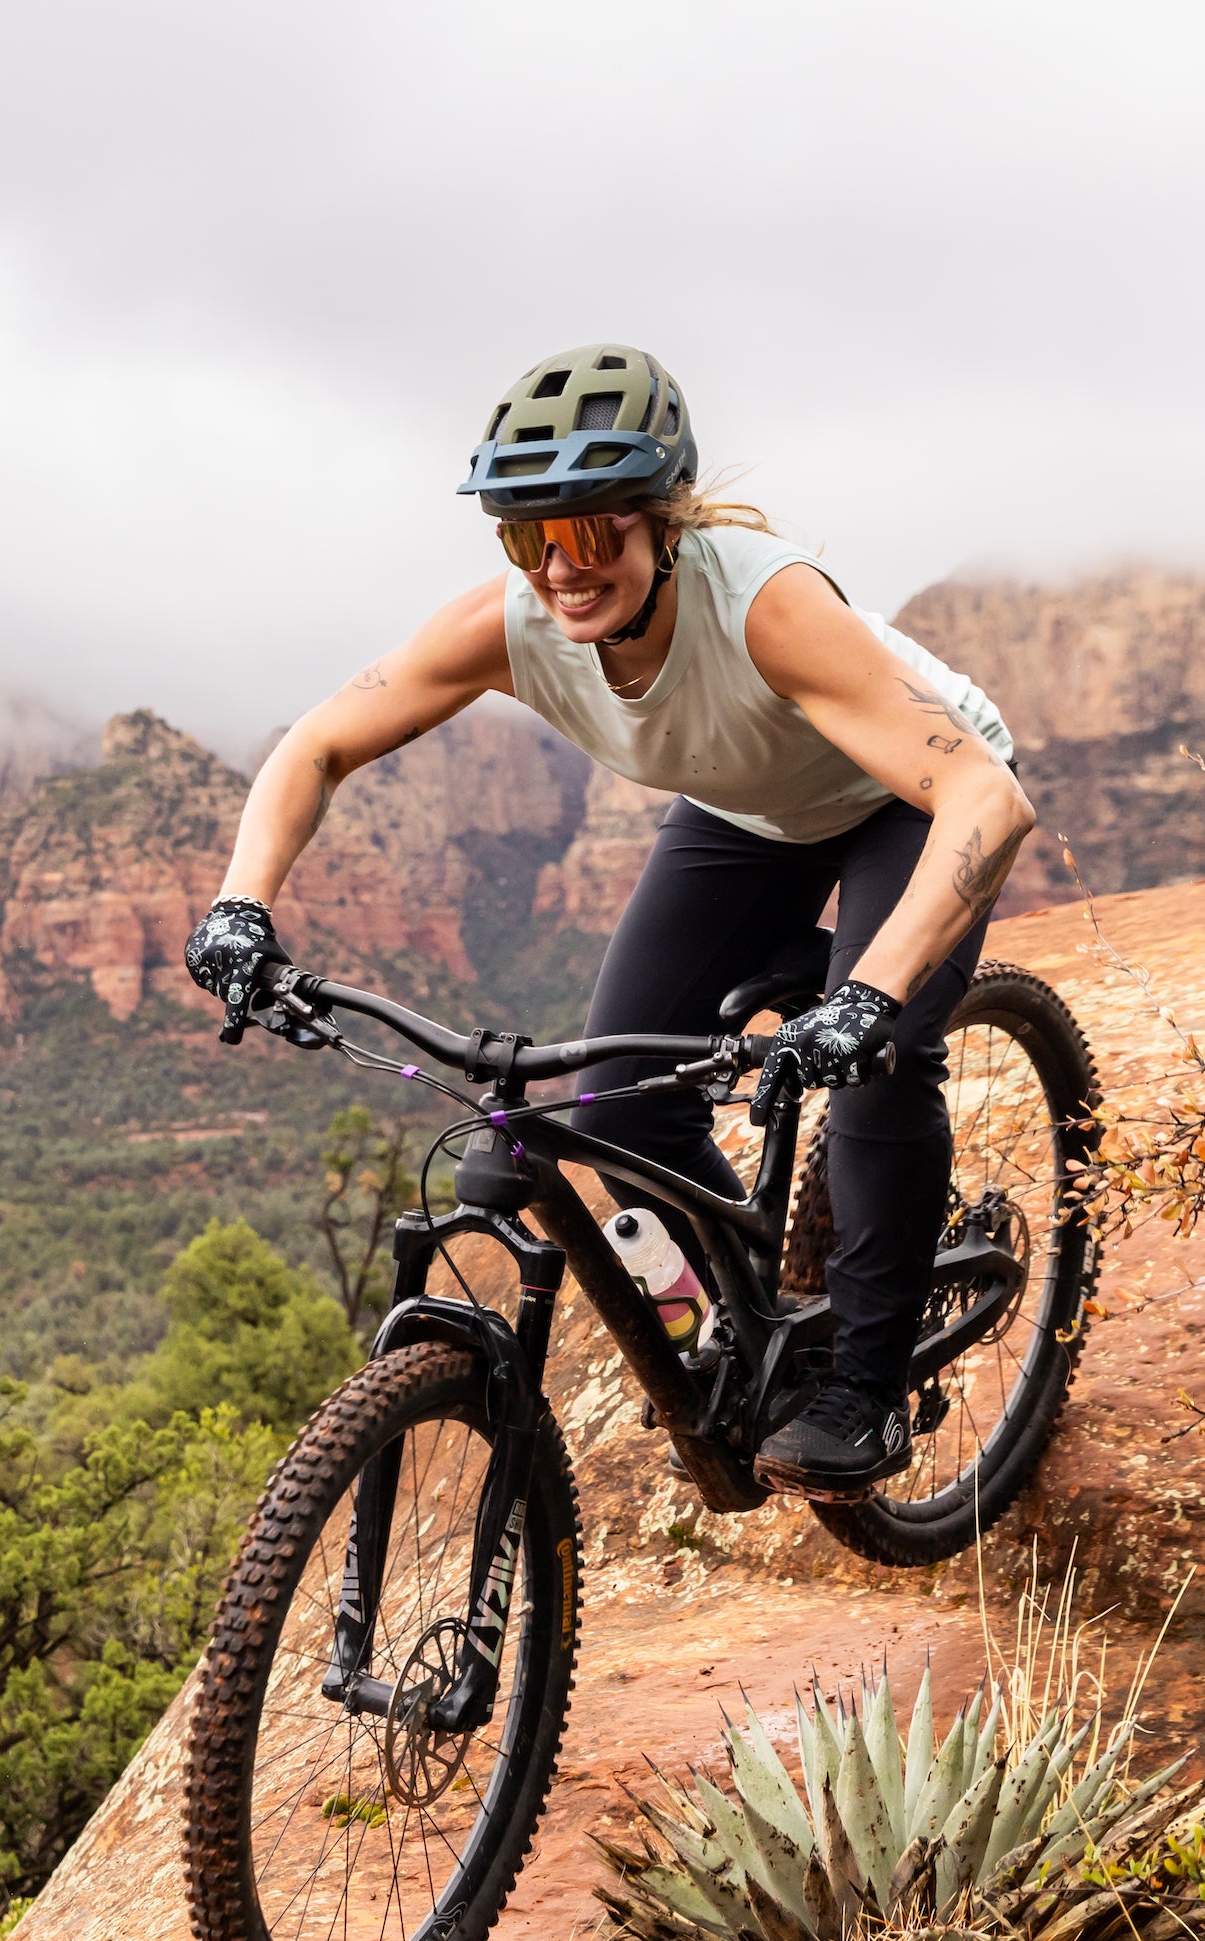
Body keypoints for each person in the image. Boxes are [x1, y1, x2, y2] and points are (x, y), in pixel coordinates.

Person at [182, 343, 1032, 1501]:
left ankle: (863, 1392)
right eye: (528, 539)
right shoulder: (511, 623)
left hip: (904, 795)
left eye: (591, 536)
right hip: (745, 805)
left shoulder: (765, 608)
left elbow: (986, 798)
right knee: (613, 1108)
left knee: (877, 1068)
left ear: (663, 523)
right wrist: (240, 904)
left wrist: (865, 997)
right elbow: (317, 741)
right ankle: (733, 1323)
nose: (559, 570)